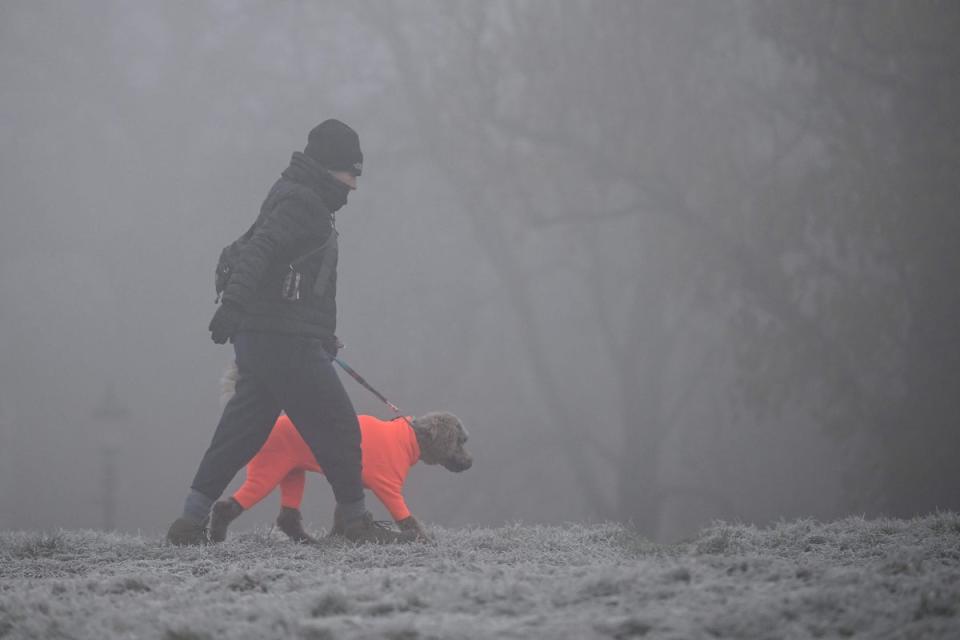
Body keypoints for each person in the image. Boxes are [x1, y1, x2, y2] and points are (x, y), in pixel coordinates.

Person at [166, 119, 409, 545]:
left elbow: (290, 276)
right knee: (339, 425)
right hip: (281, 340)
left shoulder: (295, 194)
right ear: (330, 167)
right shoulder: (303, 204)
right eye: (351, 172)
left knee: (240, 432)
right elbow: (261, 250)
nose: (354, 184)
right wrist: (233, 305)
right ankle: (356, 524)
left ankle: (189, 522)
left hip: (265, 338)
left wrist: (316, 334)